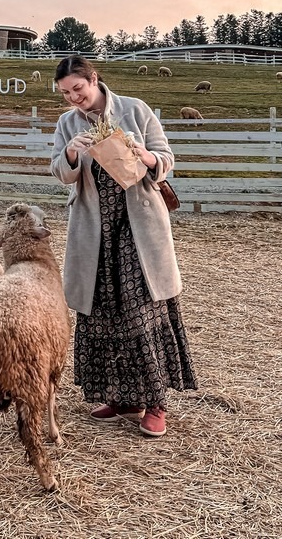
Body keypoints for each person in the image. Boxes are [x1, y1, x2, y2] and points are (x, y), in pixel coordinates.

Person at [49, 55, 197, 438]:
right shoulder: (67, 124)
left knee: (140, 309)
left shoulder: (135, 109)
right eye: (66, 93)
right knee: (101, 311)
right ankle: (122, 398)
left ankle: (156, 403)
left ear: (93, 79)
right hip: (94, 230)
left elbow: (165, 158)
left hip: (138, 226)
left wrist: (142, 154)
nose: (73, 98)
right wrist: (71, 154)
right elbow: (60, 173)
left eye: (78, 89)